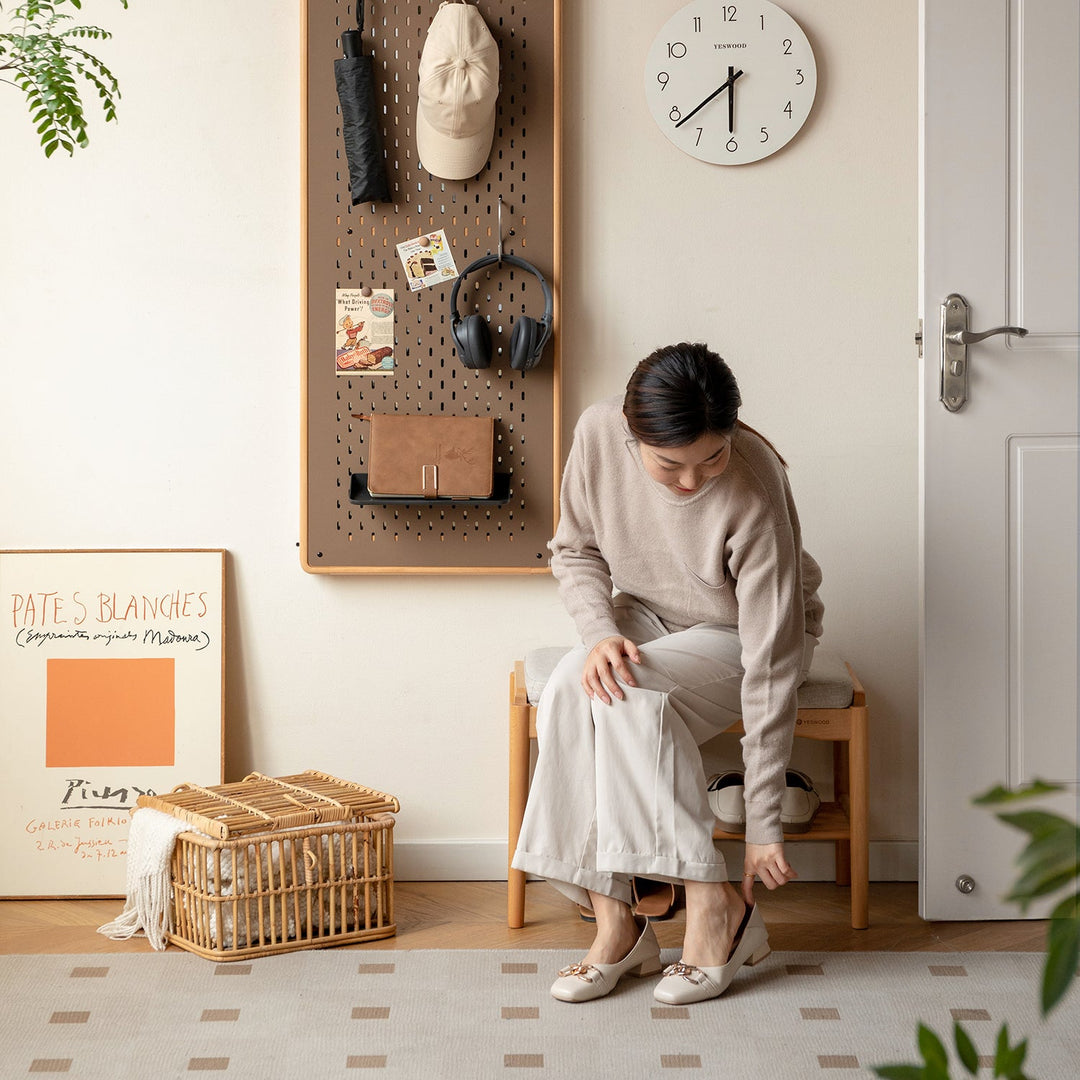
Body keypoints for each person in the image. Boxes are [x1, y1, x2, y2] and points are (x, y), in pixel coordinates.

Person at [511, 342, 824, 1005]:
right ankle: (618, 928)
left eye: (711, 457)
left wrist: (764, 823)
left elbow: (770, 665)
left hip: (742, 634)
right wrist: (599, 635)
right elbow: (574, 549)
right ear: (631, 433)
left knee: (625, 696)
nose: (693, 481)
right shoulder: (598, 433)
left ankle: (718, 909)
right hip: (644, 617)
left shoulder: (755, 483)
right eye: (670, 465)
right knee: (574, 684)